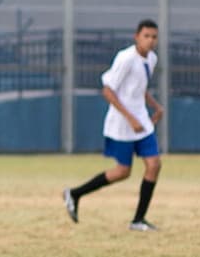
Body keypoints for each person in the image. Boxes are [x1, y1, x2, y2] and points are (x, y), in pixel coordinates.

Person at [63, 19, 165, 232]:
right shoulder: (126, 58)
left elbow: (139, 88)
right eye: (146, 36)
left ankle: (138, 220)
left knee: (154, 165)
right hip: (122, 123)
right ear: (136, 36)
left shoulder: (152, 59)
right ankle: (75, 193)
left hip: (142, 122)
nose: (150, 41)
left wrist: (155, 106)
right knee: (122, 171)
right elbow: (108, 91)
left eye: (154, 37)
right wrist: (130, 119)